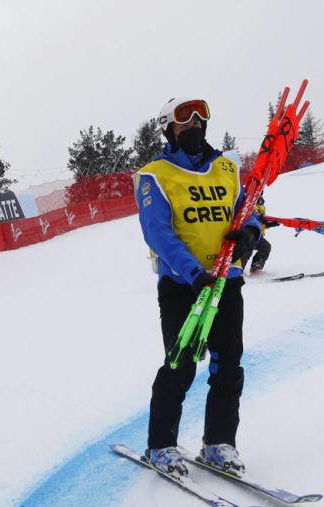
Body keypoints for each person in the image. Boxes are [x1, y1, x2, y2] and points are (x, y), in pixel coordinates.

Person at [135, 97, 261, 480]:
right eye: (184, 120)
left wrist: (250, 234)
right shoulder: (154, 175)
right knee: (181, 363)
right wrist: (193, 273)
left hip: (227, 281)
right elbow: (159, 234)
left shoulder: (226, 167)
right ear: (168, 128)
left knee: (228, 365)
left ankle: (219, 442)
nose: (194, 125)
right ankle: (161, 445)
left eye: (200, 118)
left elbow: (247, 208)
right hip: (182, 285)